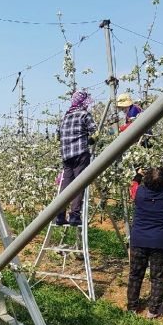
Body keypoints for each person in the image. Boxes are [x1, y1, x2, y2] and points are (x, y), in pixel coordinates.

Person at [127, 166, 163, 318]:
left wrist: (138, 175)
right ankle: (153, 310)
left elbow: (133, 185)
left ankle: (132, 307)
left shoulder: (138, 192)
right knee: (157, 277)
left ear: (147, 179)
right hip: (159, 241)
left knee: (135, 274)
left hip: (139, 239)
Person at [55, 90, 98, 226]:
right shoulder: (84, 115)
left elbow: (56, 136)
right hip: (80, 154)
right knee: (80, 183)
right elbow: (95, 134)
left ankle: (60, 214)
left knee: (66, 183)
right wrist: (90, 140)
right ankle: (74, 215)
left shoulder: (65, 117)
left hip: (66, 155)